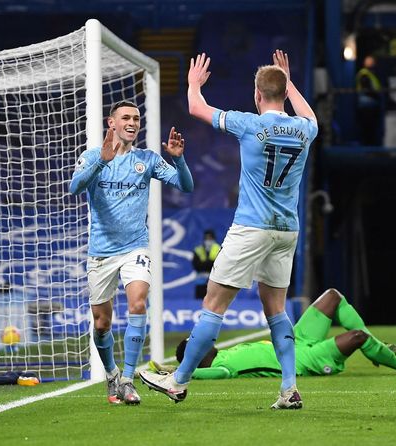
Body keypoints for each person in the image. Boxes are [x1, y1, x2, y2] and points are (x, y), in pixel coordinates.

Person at [140, 50, 318, 409]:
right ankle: (288, 389)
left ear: (256, 95)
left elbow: (196, 107)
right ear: (284, 94)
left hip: (251, 227)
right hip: (287, 231)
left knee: (213, 304)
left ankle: (178, 380)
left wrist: (193, 84)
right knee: (277, 311)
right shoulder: (305, 129)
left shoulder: (247, 123)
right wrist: (288, 80)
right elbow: (308, 112)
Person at [69, 100, 194, 405]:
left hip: (135, 247)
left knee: (138, 303)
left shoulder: (147, 160)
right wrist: (102, 160)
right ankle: (111, 374)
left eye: (136, 118)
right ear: (111, 123)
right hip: (101, 252)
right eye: (125, 117)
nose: (132, 122)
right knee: (101, 323)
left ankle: (127, 378)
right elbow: (74, 188)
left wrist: (179, 160)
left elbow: (185, 186)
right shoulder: (91, 157)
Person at [149, 288, 396, 379]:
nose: (202, 340)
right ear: (196, 359)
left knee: (331, 297)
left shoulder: (224, 352)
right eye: (196, 344)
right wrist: (172, 372)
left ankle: (380, 347)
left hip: (296, 342)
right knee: (357, 338)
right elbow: (205, 376)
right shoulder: (220, 368)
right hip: (306, 360)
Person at [355, 55, 383, 146]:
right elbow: (367, 89)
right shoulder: (364, 74)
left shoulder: (371, 74)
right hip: (366, 105)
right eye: (369, 61)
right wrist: (376, 95)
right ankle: (367, 146)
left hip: (371, 104)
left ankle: (370, 144)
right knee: (367, 127)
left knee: (371, 127)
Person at [192, 229, 221, 299]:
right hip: (200, 284)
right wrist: (211, 263)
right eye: (206, 238)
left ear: (214, 239)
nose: (208, 240)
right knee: (199, 306)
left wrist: (204, 264)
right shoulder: (198, 250)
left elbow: (220, 265)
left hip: (215, 284)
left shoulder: (219, 249)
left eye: (210, 238)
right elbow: (196, 266)